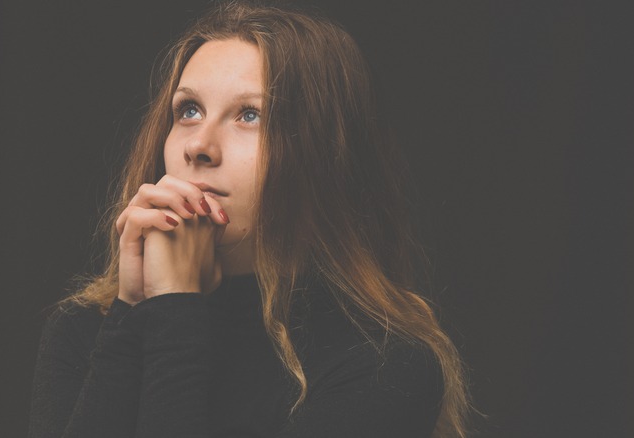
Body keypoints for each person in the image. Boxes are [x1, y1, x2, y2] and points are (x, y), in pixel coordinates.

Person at [29, 1, 468, 437]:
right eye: (189, 111)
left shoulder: (384, 364)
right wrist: (133, 314)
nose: (199, 145)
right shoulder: (85, 331)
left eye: (250, 115)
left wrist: (176, 309)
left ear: (322, 155)